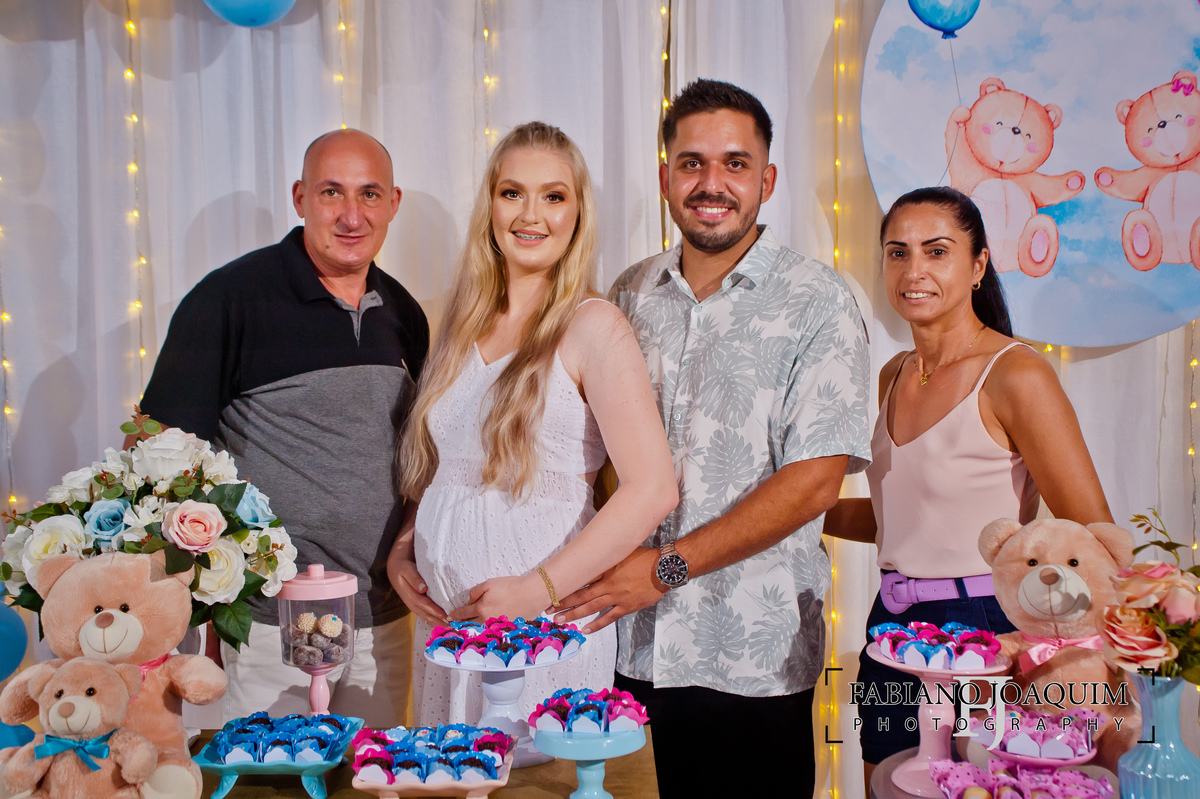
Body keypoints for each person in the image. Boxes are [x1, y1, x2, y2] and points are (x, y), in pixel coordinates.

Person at [557, 79, 872, 799]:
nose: (712, 183)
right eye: (692, 163)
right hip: (627, 645)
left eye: (735, 163)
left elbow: (814, 483)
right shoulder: (627, 295)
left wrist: (664, 570)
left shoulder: (817, 301)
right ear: (666, 176)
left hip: (753, 660)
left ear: (767, 180)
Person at [387, 121, 678, 726]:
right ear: (490, 207)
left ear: (578, 214)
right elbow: (446, 465)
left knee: (536, 771)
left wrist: (532, 592)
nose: (530, 214)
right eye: (512, 193)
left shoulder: (593, 326)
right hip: (449, 630)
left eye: (553, 196)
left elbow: (653, 490)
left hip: (538, 629)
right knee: (455, 770)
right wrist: (404, 547)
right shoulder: (461, 323)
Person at [822, 186, 1113, 787]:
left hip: (989, 623)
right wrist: (793, 509)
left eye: (936, 251)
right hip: (892, 625)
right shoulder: (892, 374)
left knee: (983, 787)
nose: (914, 270)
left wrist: (1077, 654)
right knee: (888, 786)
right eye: (897, 252)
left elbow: (1091, 533)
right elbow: (902, 520)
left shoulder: (1016, 374)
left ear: (978, 265)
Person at [136, 129, 428, 727]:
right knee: (277, 774)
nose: (352, 215)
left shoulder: (405, 313)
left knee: (374, 772)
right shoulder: (229, 299)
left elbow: (424, 455)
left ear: (393, 203)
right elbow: (153, 454)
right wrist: (198, 596)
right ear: (299, 197)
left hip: (383, 618)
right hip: (273, 621)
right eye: (331, 192)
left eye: (370, 194)